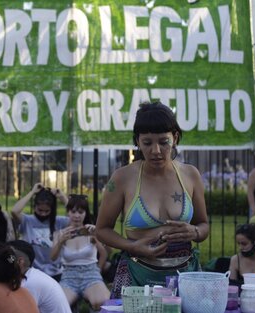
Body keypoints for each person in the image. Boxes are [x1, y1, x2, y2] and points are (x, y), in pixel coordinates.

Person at [95, 101, 209, 298]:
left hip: (184, 275)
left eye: (163, 142)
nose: (156, 151)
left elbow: (204, 225)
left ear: (175, 138)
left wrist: (195, 231)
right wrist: (131, 246)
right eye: (147, 143)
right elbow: (102, 229)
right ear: (137, 141)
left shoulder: (190, 175)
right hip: (137, 276)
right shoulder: (122, 178)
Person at [50, 195, 110, 311]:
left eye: (81, 212)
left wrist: (98, 270)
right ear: (68, 212)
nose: (77, 215)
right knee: (56, 305)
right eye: (73, 211)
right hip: (68, 276)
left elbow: (105, 253)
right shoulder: (60, 233)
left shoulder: (90, 231)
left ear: (85, 214)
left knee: (103, 302)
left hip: (91, 274)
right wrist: (61, 241)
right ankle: (73, 307)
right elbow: (52, 257)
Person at [11, 183, 69, 280]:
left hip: (55, 272)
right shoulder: (27, 220)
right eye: (40, 210)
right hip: (31, 271)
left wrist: (62, 196)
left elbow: (75, 216)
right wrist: (32, 192)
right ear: (35, 207)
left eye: (47, 211)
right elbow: (14, 211)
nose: (43, 214)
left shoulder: (59, 221)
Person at [7, 240, 72, 313]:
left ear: (20, 262)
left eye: (9, 258)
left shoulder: (29, 283)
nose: (5, 260)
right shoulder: (32, 276)